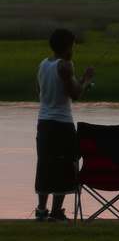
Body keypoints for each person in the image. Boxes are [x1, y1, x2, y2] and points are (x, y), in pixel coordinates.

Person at [34, 28, 94, 222]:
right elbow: (75, 94)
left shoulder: (43, 64)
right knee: (63, 164)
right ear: (67, 46)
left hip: (43, 122)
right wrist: (86, 79)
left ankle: (42, 210)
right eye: (73, 45)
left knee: (45, 163)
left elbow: (41, 90)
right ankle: (56, 212)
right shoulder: (66, 66)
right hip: (62, 123)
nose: (74, 48)